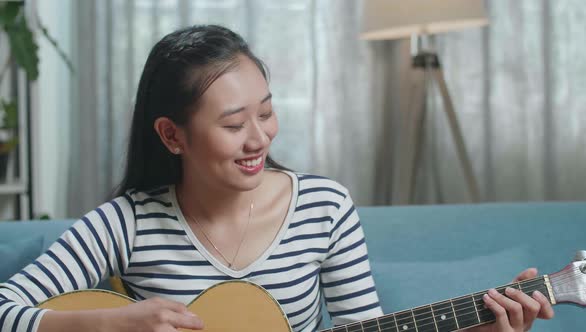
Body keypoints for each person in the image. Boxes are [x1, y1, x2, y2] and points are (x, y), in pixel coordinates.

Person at [0, 25, 552, 332]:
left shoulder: (324, 207)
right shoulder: (128, 223)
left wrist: (484, 329)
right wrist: (110, 328)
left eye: (265, 113)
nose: (260, 138)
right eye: (234, 124)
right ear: (173, 136)